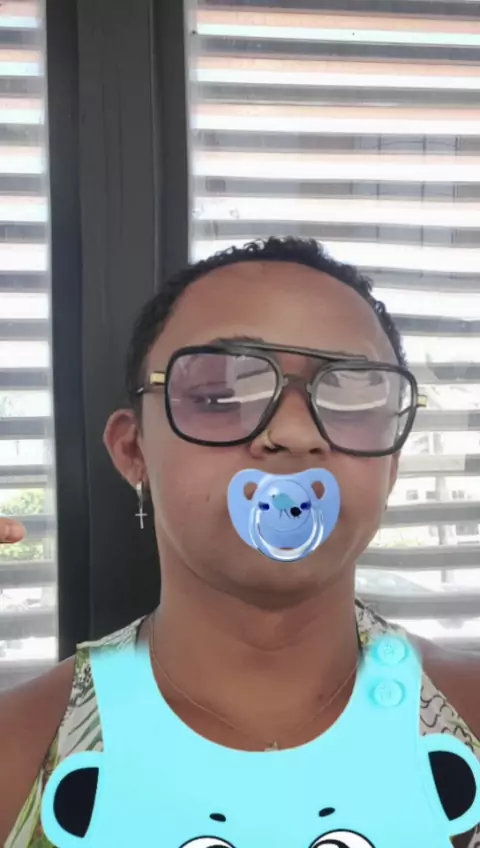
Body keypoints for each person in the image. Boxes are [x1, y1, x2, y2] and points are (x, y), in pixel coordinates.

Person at [0, 237, 479, 847]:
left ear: (391, 468)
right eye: (219, 396)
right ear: (133, 450)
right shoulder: (17, 752)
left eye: (353, 397)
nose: (294, 433)